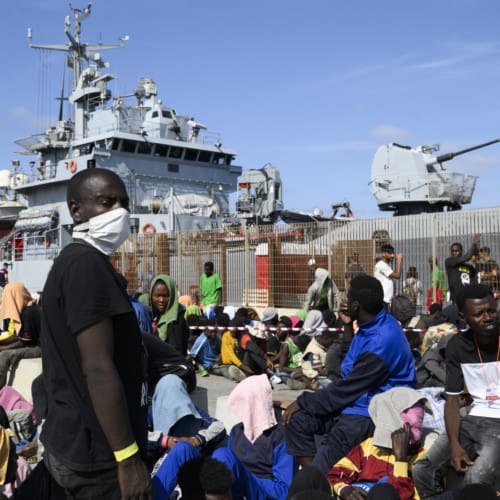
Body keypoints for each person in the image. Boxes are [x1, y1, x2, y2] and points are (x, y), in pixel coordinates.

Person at [35, 168, 151, 498]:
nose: (120, 212)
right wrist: (128, 459)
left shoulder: (72, 262)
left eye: (124, 203)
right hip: (100, 457)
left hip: (76, 442)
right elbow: (98, 367)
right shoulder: (87, 266)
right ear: (77, 210)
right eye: (106, 202)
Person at [282, 275, 416, 474]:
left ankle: (318, 479)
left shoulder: (382, 340)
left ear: (355, 305)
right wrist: (347, 325)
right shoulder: (370, 325)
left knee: (327, 451)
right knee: (296, 421)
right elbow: (351, 365)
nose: (343, 301)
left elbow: (348, 388)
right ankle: (318, 479)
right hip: (352, 403)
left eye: (348, 297)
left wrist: (304, 401)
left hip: (367, 414)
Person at [413, 284, 500, 497]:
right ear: (463, 317)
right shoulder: (457, 346)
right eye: (479, 314)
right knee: (422, 471)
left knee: (475, 480)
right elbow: (452, 400)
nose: (488, 318)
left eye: (491, 310)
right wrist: (454, 445)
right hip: (473, 420)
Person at [327, 387, 428, 500]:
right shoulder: (369, 446)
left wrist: (401, 460)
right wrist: (344, 489)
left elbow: (406, 496)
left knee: (383, 493)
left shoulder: (423, 459)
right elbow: (336, 474)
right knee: (312, 478)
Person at [150, 375, 227, 499]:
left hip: (188, 471)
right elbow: (138, 436)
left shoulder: (190, 409)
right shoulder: (151, 412)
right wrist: (164, 440)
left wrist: (196, 440)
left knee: (183, 448)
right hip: (161, 471)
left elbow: (218, 426)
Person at [0, 283, 41, 387]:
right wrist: (3, 342)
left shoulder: (28, 313)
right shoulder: (26, 309)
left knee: (5, 354)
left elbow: (24, 342)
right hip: (30, 343)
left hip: (40, 347)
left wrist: (3, 347)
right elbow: (19, 335)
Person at [147, 274, 189, 355]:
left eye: (165, 296)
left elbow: (175, 352)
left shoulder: (175, 320)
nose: (161, 300)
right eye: (157, 296)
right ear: (151, 296)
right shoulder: (157, 316)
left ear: (172, 296)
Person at [445, 234, 480, 304]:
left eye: (456, 251)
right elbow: (467, 257)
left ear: (461, 251)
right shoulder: (449, 261)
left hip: (468, 297)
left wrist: (477, 262)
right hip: (456, 297)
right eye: (452, 251)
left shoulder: (469, 266)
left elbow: (475, 278)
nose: (454, 253)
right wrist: (475, 243)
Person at [374, 244, 403, 308]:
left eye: (393, 253)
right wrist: (399, 260)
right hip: (383, 300)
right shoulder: (381, 265)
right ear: (383, 254)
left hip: (386, 300)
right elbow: (397, 275)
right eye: (390, 253)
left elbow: (396, 274)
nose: (392, 255)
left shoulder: (385, 265)